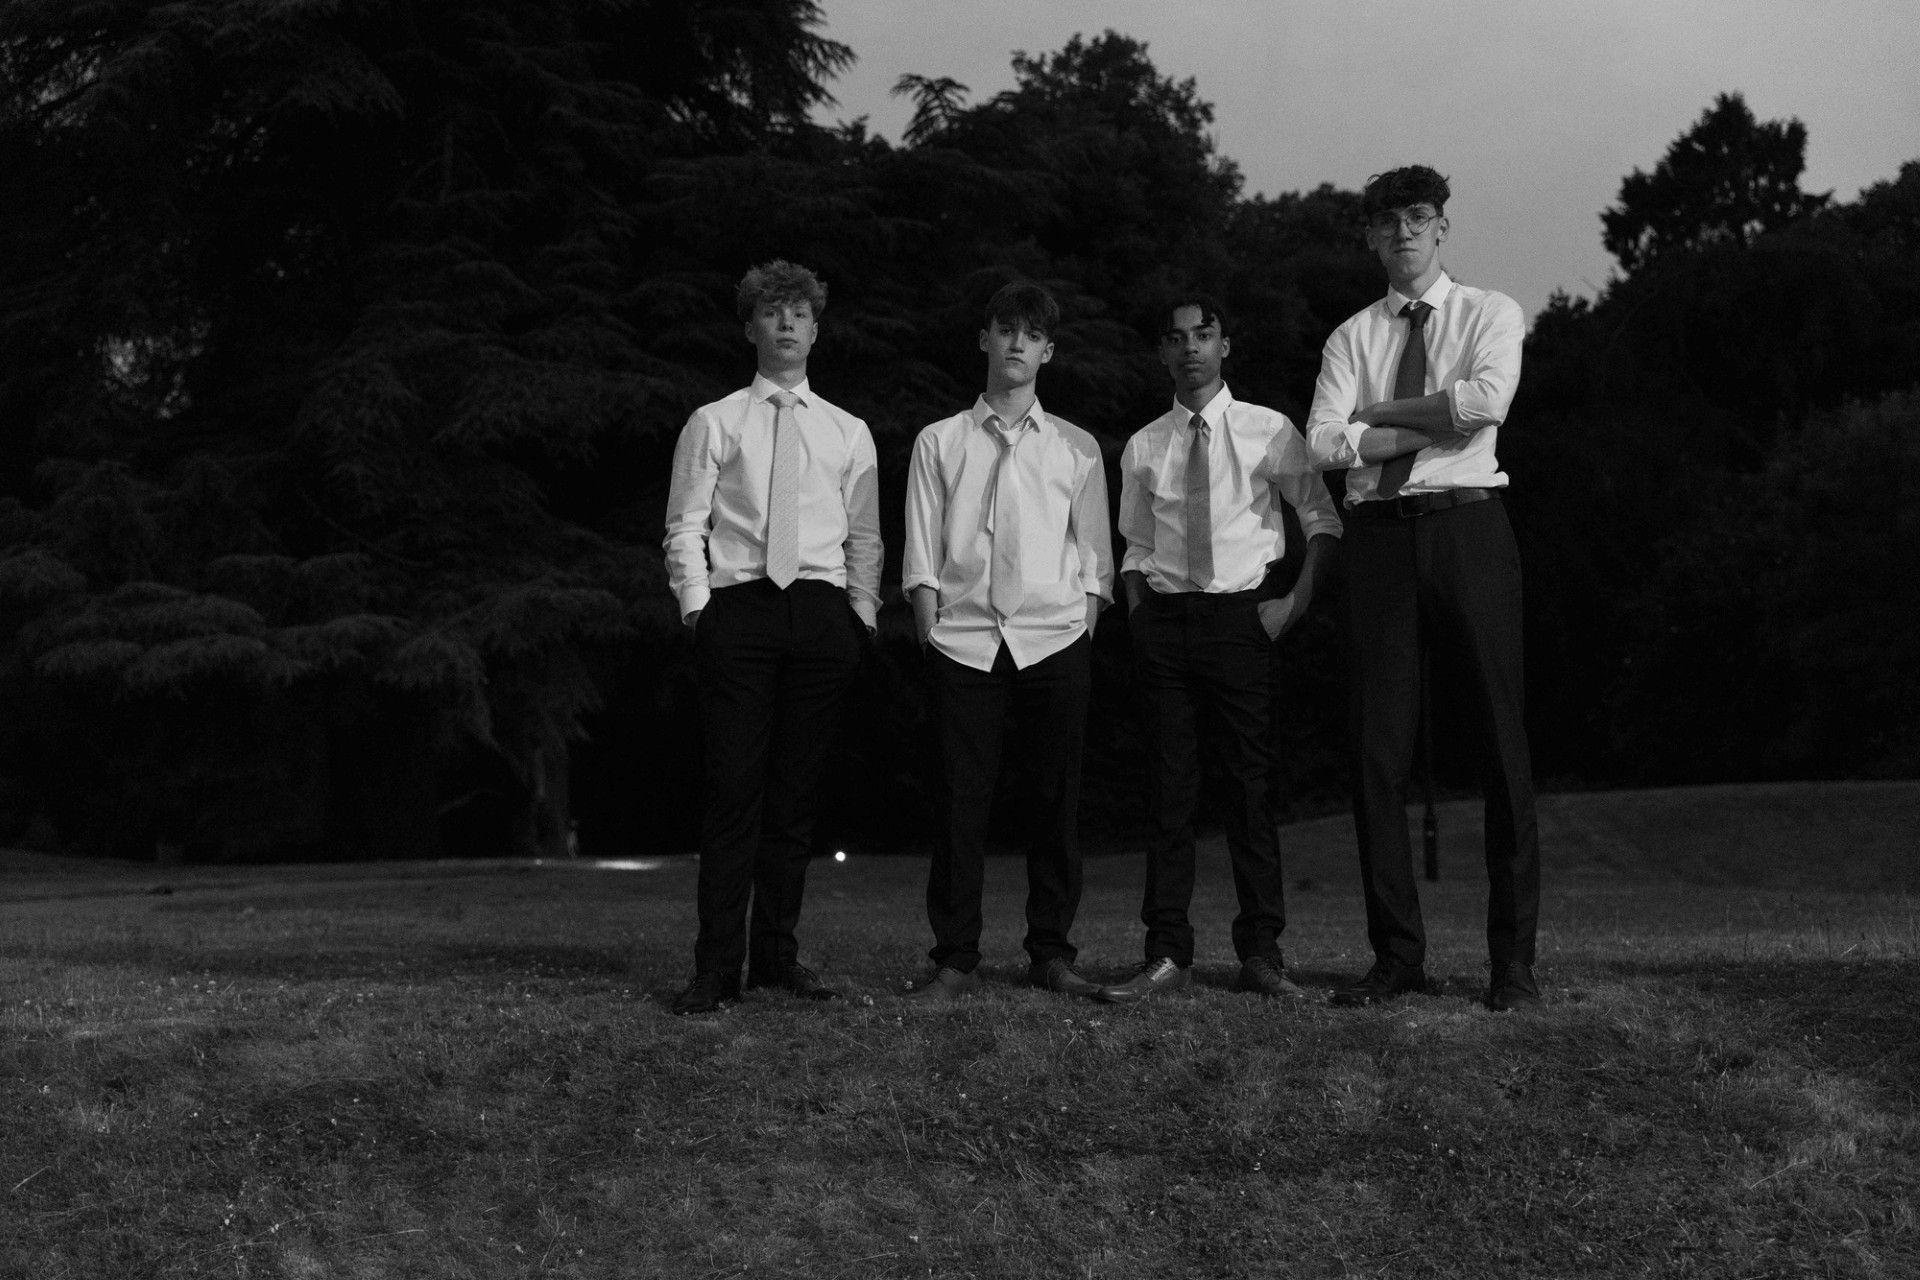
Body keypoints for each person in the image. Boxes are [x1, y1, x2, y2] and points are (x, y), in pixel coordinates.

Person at [1304, 166, 1541, 1012]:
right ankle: (1397, 958)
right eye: (1387, 222)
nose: (1402, 232)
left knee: (1501, 741)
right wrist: (1417, 418)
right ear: (1370, 238)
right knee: (1377, 751)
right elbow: (1323, 446)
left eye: (1417, 217)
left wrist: (1377, 414)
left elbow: (1485, 404)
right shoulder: (1349, 337)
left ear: (1442, 226)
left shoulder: (1491, 312)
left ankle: (1512, 966)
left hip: (1468, 528)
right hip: (1378, 541)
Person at [1099, 296, 1342, 1005]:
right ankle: (1166, 953)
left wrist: (1292, 605)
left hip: (1243, 618)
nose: (1190, 349)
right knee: (1169, 791)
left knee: (1249, 789)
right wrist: (1141, 618)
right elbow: (1135, 546)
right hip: (1166, 622)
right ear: (1162, 352)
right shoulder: (1144, 445)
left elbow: (1321, 518)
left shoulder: (1269, 430)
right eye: (1176, 339)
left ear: (1224, 345)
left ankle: (1261, 953)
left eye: (1202, 335)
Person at [661, 259, 882, 1015]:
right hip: (740, 611)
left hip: (820, 613)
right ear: (750, 328)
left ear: (816, 331)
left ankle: (778, 959)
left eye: (799, 313)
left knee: (794, 799)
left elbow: (865, 536)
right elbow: (685, 525)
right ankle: (717, 967)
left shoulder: (848, 430)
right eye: (771, 312)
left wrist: (860, 617)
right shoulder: (715, 421)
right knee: (733, 795)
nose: (786, 323)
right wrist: (699, 609)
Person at [900, 280, 1114, 1003]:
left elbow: (1096, 554)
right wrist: (930, 630)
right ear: (985, 339)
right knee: (959, 803)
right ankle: (955, 957)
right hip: (962, 640)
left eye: (1033, 334)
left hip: (1054, 637)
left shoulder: (1078, 448)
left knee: (1055, 802)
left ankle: (1051, 953)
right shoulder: (939, 440)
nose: (1018, 342)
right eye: (1006, 329)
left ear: (1048, 352)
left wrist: (1083, 624)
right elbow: (922, 549)